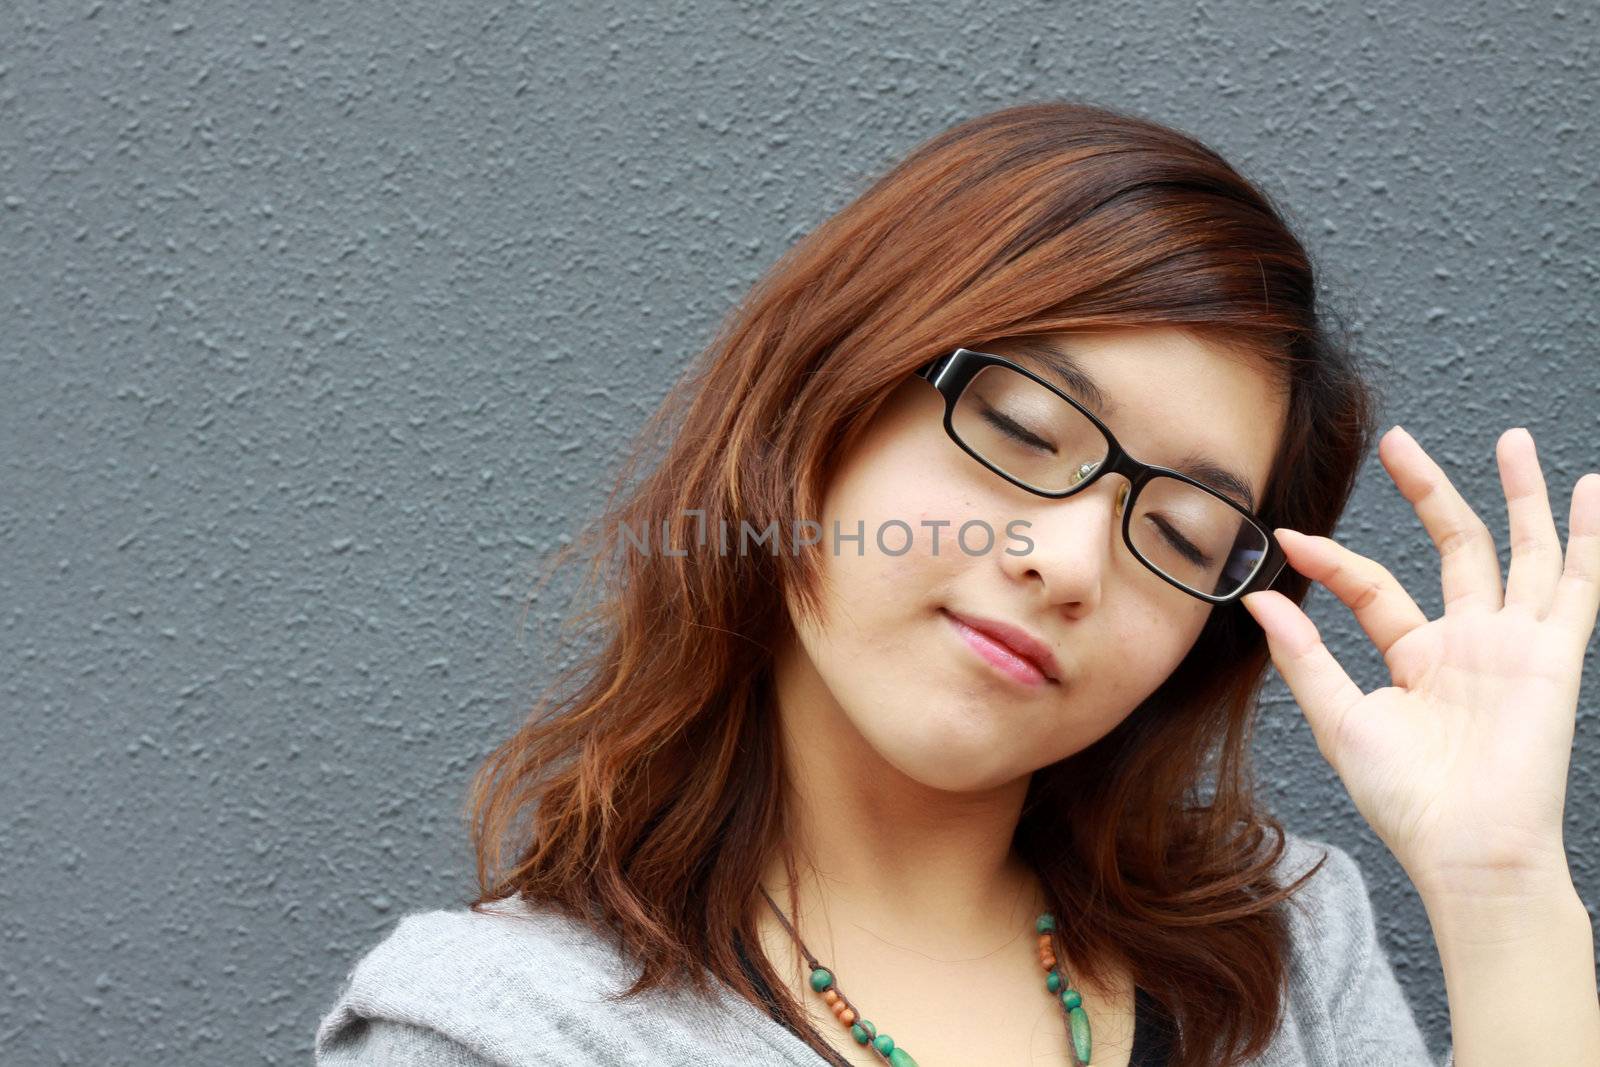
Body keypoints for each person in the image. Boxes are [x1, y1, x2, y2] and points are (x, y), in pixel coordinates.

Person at [313, 101, 1600, 1066]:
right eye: (1027, 434)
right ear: (819, 409)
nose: (1070, 564)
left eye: (1185, 531)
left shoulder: (1281, 955)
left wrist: (1500, 890)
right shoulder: (500, 1033)